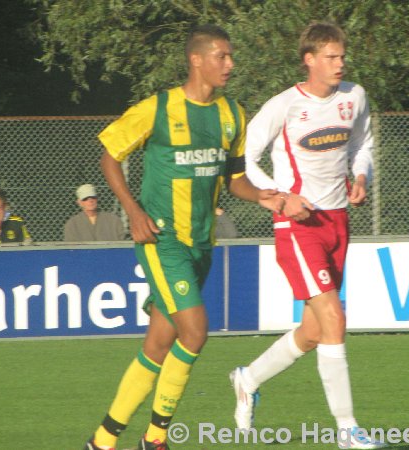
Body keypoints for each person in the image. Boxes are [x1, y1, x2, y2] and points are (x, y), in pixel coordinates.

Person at [85, 24, 283, 450]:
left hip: (201, 244)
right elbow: (109, 156)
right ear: (196, 60)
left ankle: (102, 441)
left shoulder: (232, 113)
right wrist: (133, 212)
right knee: (195, 331)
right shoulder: (158, 108)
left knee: (159, 344)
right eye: (222, 56)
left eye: (230, 57)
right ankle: (155, 439)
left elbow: (234, 179)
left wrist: (263, 197)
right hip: (163, 239)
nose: (230, 64)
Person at [231, 22, 386, 449]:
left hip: (337, 222)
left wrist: (360, 175)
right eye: (332, 56)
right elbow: (245, 158)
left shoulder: (354, 97)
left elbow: (363, 145)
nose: (340, 63)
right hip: (297, 226)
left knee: (315, 330)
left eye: (342, 56)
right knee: (336, 318)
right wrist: (281, 198)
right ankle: (348, 431)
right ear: (309, 59)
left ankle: (248, 378)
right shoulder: (283, 106)